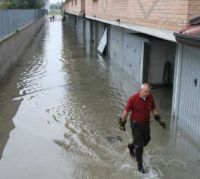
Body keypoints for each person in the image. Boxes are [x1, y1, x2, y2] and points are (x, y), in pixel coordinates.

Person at [119, 83, 166, 173]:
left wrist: (159, 120)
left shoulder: (150, 97)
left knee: (147, 139)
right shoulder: (132, 99)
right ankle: (140, 165)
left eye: (149, 92)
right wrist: (122, 124)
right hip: (136, 124)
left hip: (146, 123)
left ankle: (131, 146)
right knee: (139, 146)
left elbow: (153, 108)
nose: (147, 93)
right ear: (141, 90)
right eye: (146, 92)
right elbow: (126, 112)